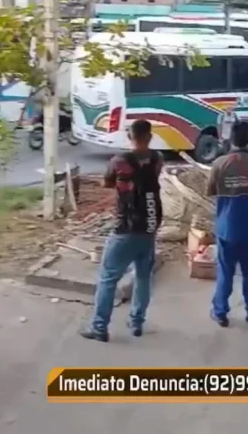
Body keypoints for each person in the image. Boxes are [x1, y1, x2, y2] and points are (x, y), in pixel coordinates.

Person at [80, 119, 162, 342]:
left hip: (125, 228)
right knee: (144, 277)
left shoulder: (118, 162)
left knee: (108, 278)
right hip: (150, 225)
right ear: (150, 137)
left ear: (129, 137)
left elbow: (108, 183)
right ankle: (136, 322)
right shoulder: (157, 159)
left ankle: (99, 327)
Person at [206, 121, 248, 327]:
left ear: (230, 139)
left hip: (227, 228)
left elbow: (211, 192)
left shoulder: (219, 164)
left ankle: (220, 312)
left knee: (225, 272)